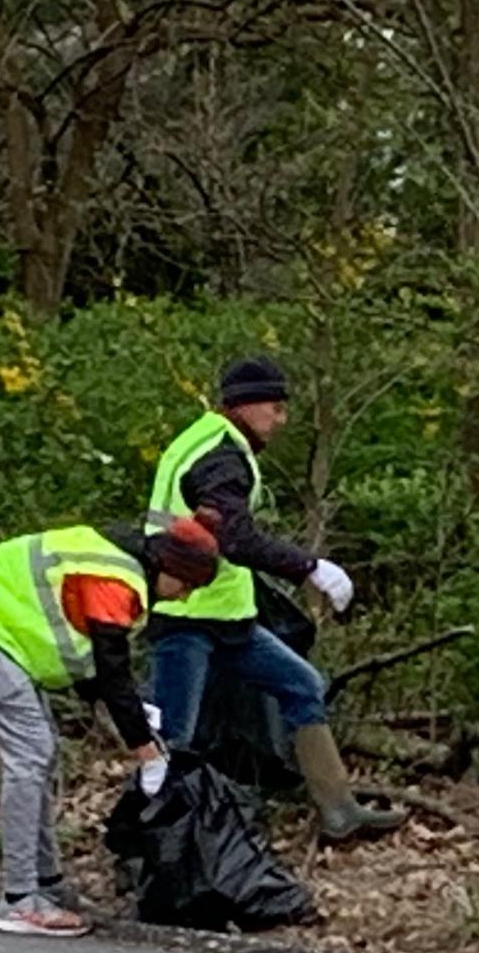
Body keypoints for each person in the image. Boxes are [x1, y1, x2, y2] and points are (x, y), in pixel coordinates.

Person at [144, 356, 405, 842]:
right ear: (244, 405)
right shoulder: (219, 457)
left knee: (303, 685)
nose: (281, 421)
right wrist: (311, 567)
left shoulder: (210, 442)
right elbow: (236, 539)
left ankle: (339, 812)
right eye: (276, 408)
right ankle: (151, 847)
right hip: (185, 619)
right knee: (169, 743)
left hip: (227, 618)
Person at [0, 515, 221, 937]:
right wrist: (144, 747)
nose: (184, 597)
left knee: (42, 752)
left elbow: (89, 663)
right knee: (30, 755)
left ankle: (46, 884)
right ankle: (17, 901)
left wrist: (133, 717)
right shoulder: (115, 580)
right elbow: (111, 668)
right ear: (170, 569)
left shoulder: (121, 563)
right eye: (187, 585)